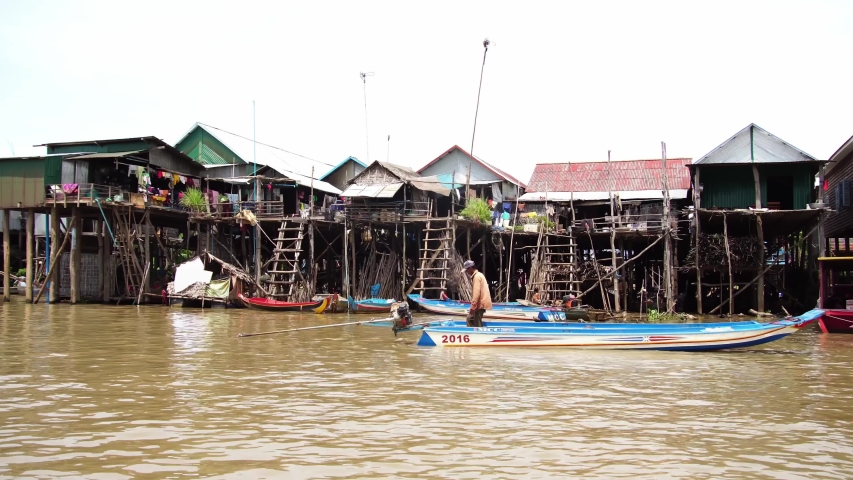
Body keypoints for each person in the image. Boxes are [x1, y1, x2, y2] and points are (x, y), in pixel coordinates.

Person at [462, 260, 492, 328]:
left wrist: (473, 306)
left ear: (470, 268)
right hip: (481, 303)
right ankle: (473, 333)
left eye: (467, 270)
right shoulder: (479, 275)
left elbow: (476, 293)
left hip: (480, 304)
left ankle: (475, 335)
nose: (467, 272)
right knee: (471, 319)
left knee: (475, 322)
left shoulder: (476, 277)